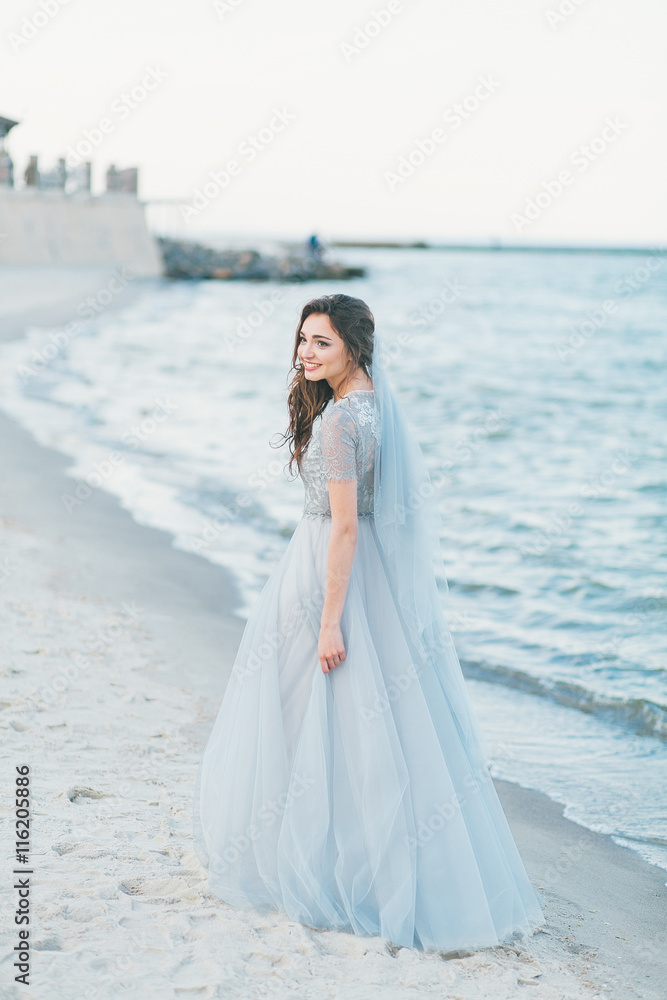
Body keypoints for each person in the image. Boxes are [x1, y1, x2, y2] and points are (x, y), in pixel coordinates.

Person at [193, 293, 544, 953]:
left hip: (329, 578)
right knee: (375, 730)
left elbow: (345, 527)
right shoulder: (380, 408)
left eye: (321, 342)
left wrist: (330, 623)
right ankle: (363, 863)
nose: (305, 353)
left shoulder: (338, 423)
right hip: (372, 581)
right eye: (301, 340)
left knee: (304, 718)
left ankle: (320, 866)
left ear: (353, 345)